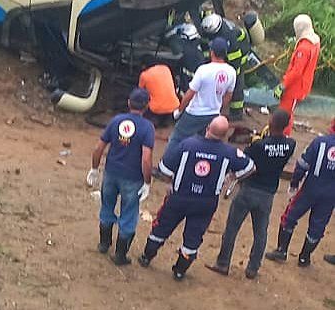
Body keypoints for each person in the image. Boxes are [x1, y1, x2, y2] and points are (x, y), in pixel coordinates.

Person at [139, 116, 254, 280]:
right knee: (193, 238)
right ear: (224, 134)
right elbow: (250, 167)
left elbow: (164, 169)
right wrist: (231, 176)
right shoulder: (228, 152)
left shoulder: (187, 144)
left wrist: (172, 182)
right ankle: (179, 271)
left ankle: (146, 257)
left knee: (161, 227)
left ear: (208, 128)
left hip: (179, 197)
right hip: (206, 203)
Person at [206, 109, 295, 279]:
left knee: (232, 228)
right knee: (261, 232)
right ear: (286, 126)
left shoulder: (258, 145)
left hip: (249, 188)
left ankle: (223, 263)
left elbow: (244, 161)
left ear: (270, 122)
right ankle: (253, 268)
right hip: (268, 194)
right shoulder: (290, 144)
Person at [86, 88, 154, 265]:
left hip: (111, 173)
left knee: (107, 207)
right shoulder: (147, 128)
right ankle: (120, 255)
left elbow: (99, 147)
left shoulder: (116, 121)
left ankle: (103, 243)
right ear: (147, 106)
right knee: (129, 215)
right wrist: (147, 181)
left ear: (129, 103)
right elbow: (146, 159)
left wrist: (94, 168)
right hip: (132, 178)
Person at [265, 116, 335, 267]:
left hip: (311, 188)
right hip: (331, 193)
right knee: (318, 225)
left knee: (290, 216)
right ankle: (304, 258)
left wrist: (294, 183)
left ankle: (282, 250)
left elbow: (303, 164)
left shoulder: (320, 142)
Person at [165, 37, 236, 154]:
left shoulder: (203, 70)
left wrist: (179, 110)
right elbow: (228, 96)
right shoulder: (231, 72)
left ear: (211, 52)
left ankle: (166, 166)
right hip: (213, 114)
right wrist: (218, 109)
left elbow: (190, 93)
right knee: (204, 142)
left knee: (176, 138)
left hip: (194, 113)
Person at [274, 14, 321, 135]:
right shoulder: (315, 41)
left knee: (285, 114)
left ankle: (283, 137)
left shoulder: (303, 48)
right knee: (288, 112)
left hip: (295, 87)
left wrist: (283, 85)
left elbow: (296, 71)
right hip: (303, 84)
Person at [201, 13, 252, 121]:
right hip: (228, 52)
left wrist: (233, 75)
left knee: (237, 83)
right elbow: (207, 44)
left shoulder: (229, 36)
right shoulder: (212, 26)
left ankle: (236, 113)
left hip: (240, 53)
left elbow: (235, 58)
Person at [138, 62, 180, 127]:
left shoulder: (144, 75)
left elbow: (140, 91)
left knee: (142, 98)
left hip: (155, 109)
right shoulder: (165, 68)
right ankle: (164, 121)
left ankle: (153, 122)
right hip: (174, 106)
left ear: (143, 66)